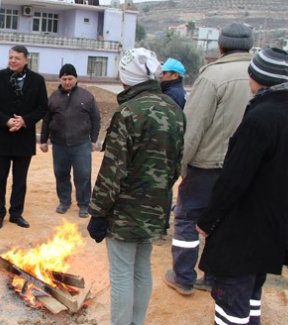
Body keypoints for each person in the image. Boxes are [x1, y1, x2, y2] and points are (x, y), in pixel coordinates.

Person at [197, 48, 288, 325]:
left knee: (231, 304)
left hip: (242, 234)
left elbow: (234, 180)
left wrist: (207, 221)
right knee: (250, 300)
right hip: (271, 230)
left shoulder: (259, 120)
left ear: (257, 76)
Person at [86, 48, 185, 325]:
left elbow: (113, 170)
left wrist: (98, 213)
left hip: (125, 211)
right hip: (155, 208)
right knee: (142, 269)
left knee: (121, 275)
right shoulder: (175, 110)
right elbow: (177, 164)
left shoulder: (129, 112)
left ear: (127, 79)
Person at [164, 22, 254, 296]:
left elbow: (192, 128)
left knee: (187, 219)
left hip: (207, 167)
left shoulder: (213, 76)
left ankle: (184, 277)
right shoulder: (259, 74)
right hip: (242, 168)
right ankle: (213, 276)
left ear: (221, 46)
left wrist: (178, 168)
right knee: (223, 221)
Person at [0, 45, 48, 229]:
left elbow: (43, 107)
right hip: (2, 137)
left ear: (26, 60)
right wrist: (6, 121)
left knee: (20, 181)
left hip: (24, 139)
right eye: (10, 57)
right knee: (0, 179)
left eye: (17, 58)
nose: (12, 61)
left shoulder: (37, 80)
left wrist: (24, 121)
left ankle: (16, 214)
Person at [40, 63, 101, 218]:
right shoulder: (53, 97)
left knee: (83, 175)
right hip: (59, 144)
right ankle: (64, 201)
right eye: (64, 79)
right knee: (61, 174)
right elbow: (46, 120)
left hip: (81, 144)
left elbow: (96, 118)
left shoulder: (86, 96)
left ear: (76, 79)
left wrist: (93, 139)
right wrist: (43, 140)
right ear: (60, 79)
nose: (67, 82)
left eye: (70, 78)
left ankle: (84, 204)